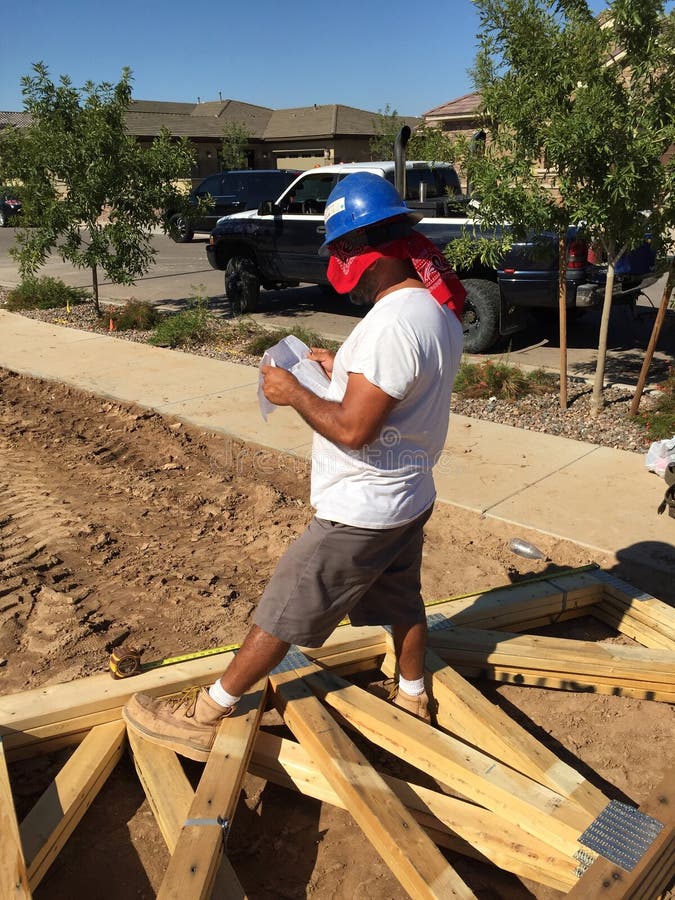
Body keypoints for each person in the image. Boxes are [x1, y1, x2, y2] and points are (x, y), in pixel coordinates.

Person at [122, 172, 466, 761]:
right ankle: (413, 696)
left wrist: (293, 392)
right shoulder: (432, 312)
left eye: (340, 251)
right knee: (403, 599)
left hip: (362, 509)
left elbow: (355, 430)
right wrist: (340, 375)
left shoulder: (389, 326)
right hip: (408, 493)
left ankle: (207, 714)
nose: (337, 265)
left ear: (362, 250)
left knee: (282, 611)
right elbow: (393, 396)